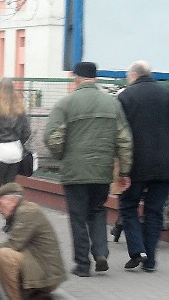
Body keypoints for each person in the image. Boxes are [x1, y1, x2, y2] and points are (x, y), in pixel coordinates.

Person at [44, 62, 133, 277]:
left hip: (74, 172)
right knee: (97, 210)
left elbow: (51, 138)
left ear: (76, 78)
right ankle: (101, 252)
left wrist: (61, 155)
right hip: (102, 170)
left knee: (78, 217)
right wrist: (124, 171)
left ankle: (83, 265)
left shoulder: (65, 104)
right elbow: (125, 140)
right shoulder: (112, 104)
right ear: (96, 78)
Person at [117, 60, 169, 272]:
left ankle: (138, 250)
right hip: (164, 166)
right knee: (155, 211)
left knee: (128, 206)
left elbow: (119, 132)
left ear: (133, 75)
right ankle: (150, 261)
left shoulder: (125, 97)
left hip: (135, 166)